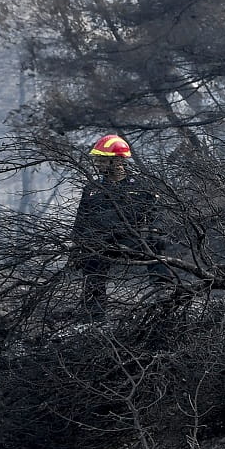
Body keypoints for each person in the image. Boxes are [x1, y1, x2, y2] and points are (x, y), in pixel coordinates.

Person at [71, 134, 161, 317]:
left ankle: (163, 293)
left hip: (132, 240)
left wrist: (151, 232)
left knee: (157, 242)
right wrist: (76, 247)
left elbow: (155, 216)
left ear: (118, 160)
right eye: (96, 159)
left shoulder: (143, 186)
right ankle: (93, 312)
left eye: (101, 160)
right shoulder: (92, 189)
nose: (97, 164)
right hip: (102, 242)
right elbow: (81, 221)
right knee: (91, 259)